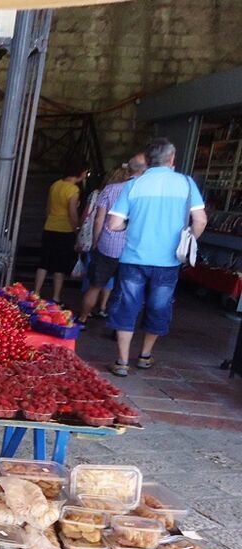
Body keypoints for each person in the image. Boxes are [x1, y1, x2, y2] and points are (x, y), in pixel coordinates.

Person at [105, 138, 207, 377]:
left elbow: (114, 223)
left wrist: (129, 227)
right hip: (168, 261)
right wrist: (189, 238)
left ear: (148, 161)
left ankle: (121, 361)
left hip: (133, 258)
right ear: (172, 159)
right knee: (158, 307)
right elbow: (200, 220)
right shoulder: (186, 184)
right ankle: (145, 356)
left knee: (127, 307)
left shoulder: (134, 185)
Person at [78, 154, 147, 324]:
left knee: (95, 286)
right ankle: (120, 328)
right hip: (133, 248)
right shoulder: (146, 192)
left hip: (107, 245)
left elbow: (99, 219)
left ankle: (82, 318)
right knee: (127, 290)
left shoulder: (110, 189)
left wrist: (96, 240)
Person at [34, 163, 90, 302]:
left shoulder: (56, 184)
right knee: (60, 265)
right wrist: (76, 229)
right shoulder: (73, 190)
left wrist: (51, 220)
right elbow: (72, 212)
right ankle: (56, 297)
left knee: (44, 262)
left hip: (50, 227)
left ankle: (35, 293)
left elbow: (48, 207)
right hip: (65, 229)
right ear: (81, 172)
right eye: (86, 173)